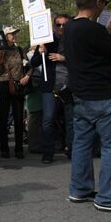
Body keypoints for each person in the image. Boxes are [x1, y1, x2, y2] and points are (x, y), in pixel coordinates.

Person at [64, 0, 111, 214]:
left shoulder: (70, 28)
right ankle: (109, 198)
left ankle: (79, 188)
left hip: (81, 96)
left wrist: (107, 32)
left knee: (82, 143)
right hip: (104, 97)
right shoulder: (93, 30)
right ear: (99, 4)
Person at [30, 13, 71, 164]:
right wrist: (42, 52)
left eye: (64, 25)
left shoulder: (74, 41)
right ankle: (48, 152)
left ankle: (71, 150)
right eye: (58, 24)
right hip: (50, 87)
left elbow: (83, 60)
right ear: (54, 26)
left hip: (69, 87)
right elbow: (33, 62)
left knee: (70, 121)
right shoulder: (46, 41)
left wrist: (63, 58)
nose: (61, 27)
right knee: (48, 120)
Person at [0, 26, 32, 159]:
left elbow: (29, 66)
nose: (14, 35)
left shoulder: (19, 50)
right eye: (11, 33)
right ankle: (4, 149)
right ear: (5, 36)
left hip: (18, 85)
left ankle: (19, 149)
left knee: (19, 118)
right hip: (3, 85)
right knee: (3, 118)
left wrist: (27, 76)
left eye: (15, 33)